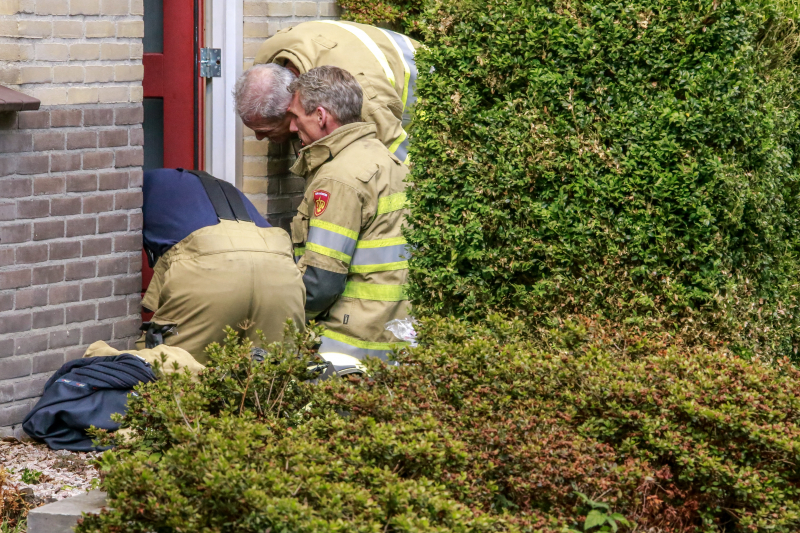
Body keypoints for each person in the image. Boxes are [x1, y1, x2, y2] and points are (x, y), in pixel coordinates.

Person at [286, 66, 411, 361]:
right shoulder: (386, 159)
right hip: (393, 336)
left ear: (320, 116)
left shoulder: (339, 178)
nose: (291, 127)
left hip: (348, 346)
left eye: (295, 116)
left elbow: (320, 284)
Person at [139, 168, 306, 362]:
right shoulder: (220, 188)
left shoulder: (137, 188)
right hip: (282, 274)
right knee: (270, 378)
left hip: (211, 268)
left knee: (168, 372)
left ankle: (94, 357)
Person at [235, 20, 419, 162]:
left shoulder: (358, 95)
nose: (258, 138)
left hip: (427, 88)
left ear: (291, 110)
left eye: (265, 130)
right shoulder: (268, 59)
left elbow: (394, 160)